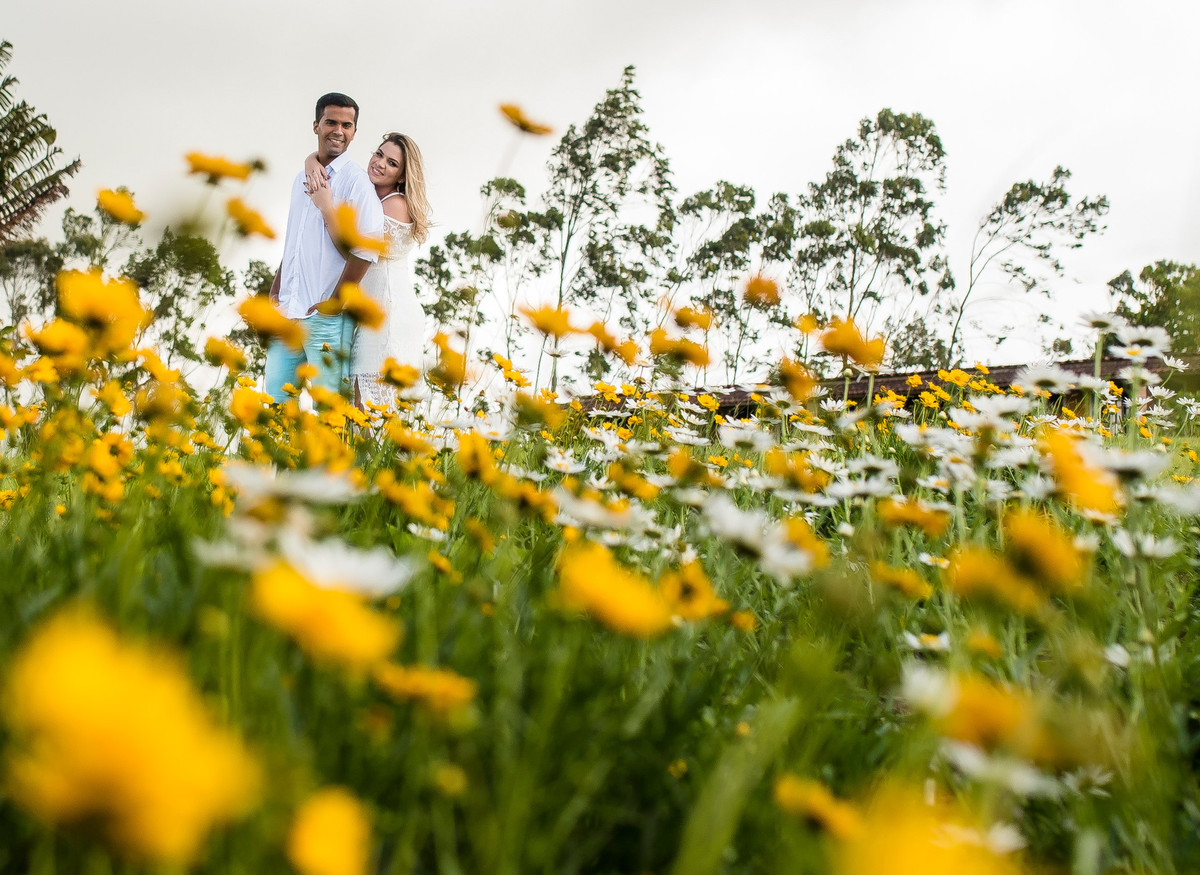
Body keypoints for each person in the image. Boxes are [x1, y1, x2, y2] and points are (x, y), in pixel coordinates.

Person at [264, 92, 385, 403]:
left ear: (354, 132)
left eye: (347, 125)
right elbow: (296, 240)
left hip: (326, 319)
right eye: (331, 122)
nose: (338, 131)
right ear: (316, 125)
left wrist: (333, 304)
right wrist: (276, 289)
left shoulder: (357, 183)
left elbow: (366, 252)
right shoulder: (300, 179)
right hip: (287, 312)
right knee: (275, 405)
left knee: (329, 410)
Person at [303, 132, 430, 409]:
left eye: (392, 163)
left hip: (389, 314)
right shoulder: (372, 198)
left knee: (369, 404)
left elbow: (355, 252)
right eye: (379, 154)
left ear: (402, 176)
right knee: (361, 403)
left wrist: (326, 207)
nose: (380, 163)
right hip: (372, 313)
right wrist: (311, 159)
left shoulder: (395, 205)